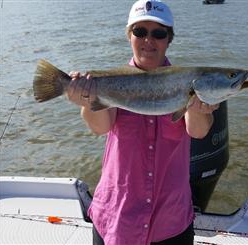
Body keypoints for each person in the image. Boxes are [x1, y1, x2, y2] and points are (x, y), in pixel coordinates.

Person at [67, 0, 219, 244]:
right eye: (140, 31)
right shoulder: (113, 81)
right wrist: (85, 99)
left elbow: (198, 131)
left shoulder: (187, 81)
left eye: (159, 33)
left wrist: (201, 108)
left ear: (169, 39)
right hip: (118, 216)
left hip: (170, 219)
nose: (149, 40)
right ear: (129, 36)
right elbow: (100, 127)